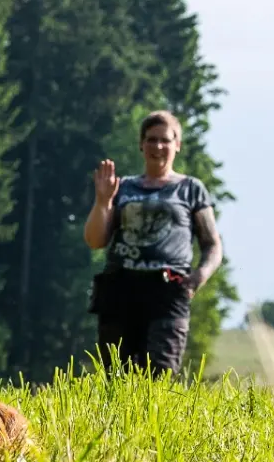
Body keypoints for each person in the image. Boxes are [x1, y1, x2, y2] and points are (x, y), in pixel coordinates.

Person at [83, 110, 223, 379]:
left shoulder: (191, 189)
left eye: (165, 140)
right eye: (151, 139)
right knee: (115, 376)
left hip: (168, 292)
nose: (158, 146)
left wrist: (198, 278)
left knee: (160, 374)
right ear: (141, 144)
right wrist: (103, 202)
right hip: (119, 289)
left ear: (177, 145)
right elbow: (95, 240)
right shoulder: (121, 188)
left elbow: (212, 244)